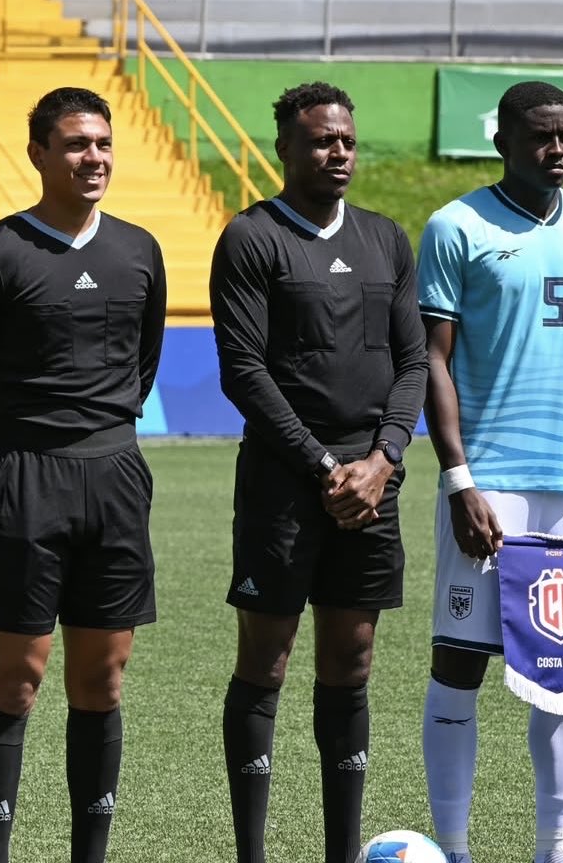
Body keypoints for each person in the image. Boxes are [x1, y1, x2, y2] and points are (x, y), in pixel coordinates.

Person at [0, 86, 166, 863]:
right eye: (75, 144)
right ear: (38, 153)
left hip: (114, 477)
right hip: (25, 481)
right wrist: (3, 465)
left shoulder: (140, 251)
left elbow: (143, 363)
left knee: (102, 682)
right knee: (17, 679)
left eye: (101, 143)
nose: (92, 157)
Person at [416, 81, 563, 863]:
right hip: (490, 486)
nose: (558, 150)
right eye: (542, 136)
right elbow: (432, 363)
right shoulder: (455, 227)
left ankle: (557, 848)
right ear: (502, 139)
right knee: (459, 661)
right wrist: (460, 480)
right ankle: (452, 848)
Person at [209, 81, 428, 863]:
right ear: (286, 150)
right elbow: (242, 370)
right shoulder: (251, 237)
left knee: (352, 659)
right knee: (266, 660)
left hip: (374, 484)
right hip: (285, 484)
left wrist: (384, 458)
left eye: (346, 141)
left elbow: (413, 364)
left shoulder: (386, 239)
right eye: (321, 142)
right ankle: (253, 853)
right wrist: (325, 465)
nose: (338, 154)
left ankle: (341, 853)